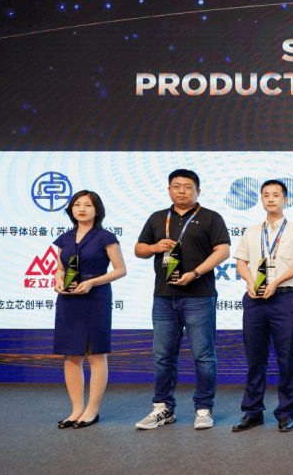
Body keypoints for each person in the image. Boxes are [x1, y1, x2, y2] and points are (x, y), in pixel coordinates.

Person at [134, 169, 230, 430]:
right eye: (176, 186)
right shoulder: (157, 218)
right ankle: (163, 408)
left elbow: (223, 251)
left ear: (198, 191)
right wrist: (155, 247)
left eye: (188, 187)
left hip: (199, 296)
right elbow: (139, 249)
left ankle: (203, 408)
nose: (181, 191)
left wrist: (195, 273)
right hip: (164, 298)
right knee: (163, 356)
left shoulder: (211, 217)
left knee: (204, 356)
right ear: (169, 190)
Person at [231, 180, 293, 432]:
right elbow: (241, 262)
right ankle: (252, 412)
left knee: (287, 358)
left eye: (276, 195)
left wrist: (276, 282)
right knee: (255, 359)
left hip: (283, 298)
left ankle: (285, 413)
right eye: (266, 195)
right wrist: (250, 281)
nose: (270, 199)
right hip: (255, 300)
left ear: (285, 200)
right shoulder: (252, 231)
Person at [51, 190, 127, 429]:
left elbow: (120, 269)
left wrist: (92, 282)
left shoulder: (106, 237)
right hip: (69, 299)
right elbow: (60, 268)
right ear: (71, 209)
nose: (81, 209)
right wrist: (58, 280)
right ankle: (76, 410)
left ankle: (92, 410)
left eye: (88, 205)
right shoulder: (64, 238)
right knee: (71, 355)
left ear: (97, 210)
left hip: (96, 297)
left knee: (96, 354)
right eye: (77, 204)